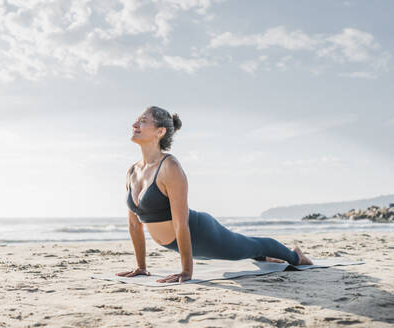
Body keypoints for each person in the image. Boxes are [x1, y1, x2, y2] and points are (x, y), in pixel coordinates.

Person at [116, 106, 313, 284]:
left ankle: (295, 256)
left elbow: (180, 223)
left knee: (249, 245)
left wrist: (186, 271)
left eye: (143, 120)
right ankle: (264, 257)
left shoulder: (170, 167)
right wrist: (141, 267)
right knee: (247, 249)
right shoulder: (132, 171)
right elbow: (135, 224)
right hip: (180, 244)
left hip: (202, 234)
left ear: (160, 131)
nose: (134, 124)